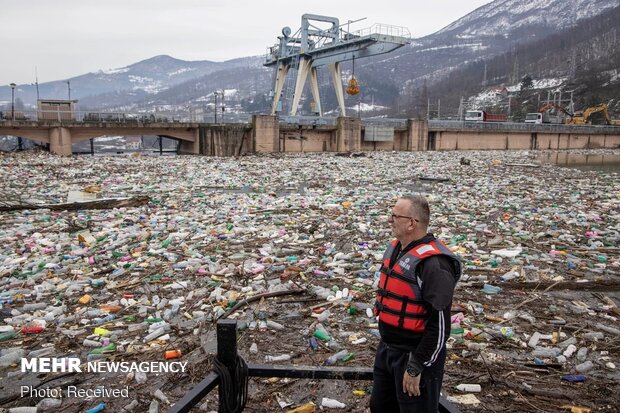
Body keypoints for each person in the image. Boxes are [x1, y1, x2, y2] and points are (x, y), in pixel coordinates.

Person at [369, 195, 461, 413]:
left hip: (415, 357)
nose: (389, 220)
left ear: (412, 223)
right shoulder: (398, 250)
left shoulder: (434, 264)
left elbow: (440, 327)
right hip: (388, 349)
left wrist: (416, 365)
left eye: (395, 216)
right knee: (380, 407)